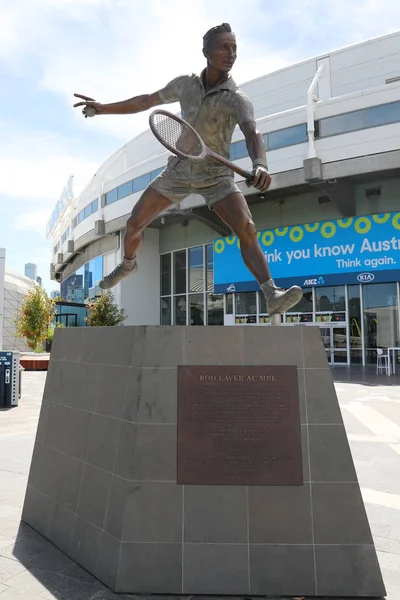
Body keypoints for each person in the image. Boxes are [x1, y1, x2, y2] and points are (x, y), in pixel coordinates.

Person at [73, 23, 302, 316]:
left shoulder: (237, 99)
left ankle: (272, 294)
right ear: (206, 52)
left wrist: (260, 164)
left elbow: (252, 133)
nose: (231, 53)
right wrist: (104, 108)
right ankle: (128, 264)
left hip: (216, 177)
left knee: (246, 228)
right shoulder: (185, 85)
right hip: (179, 170)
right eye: (224, 47)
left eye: (234, 48)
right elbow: (146, 101)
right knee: (134, 224)